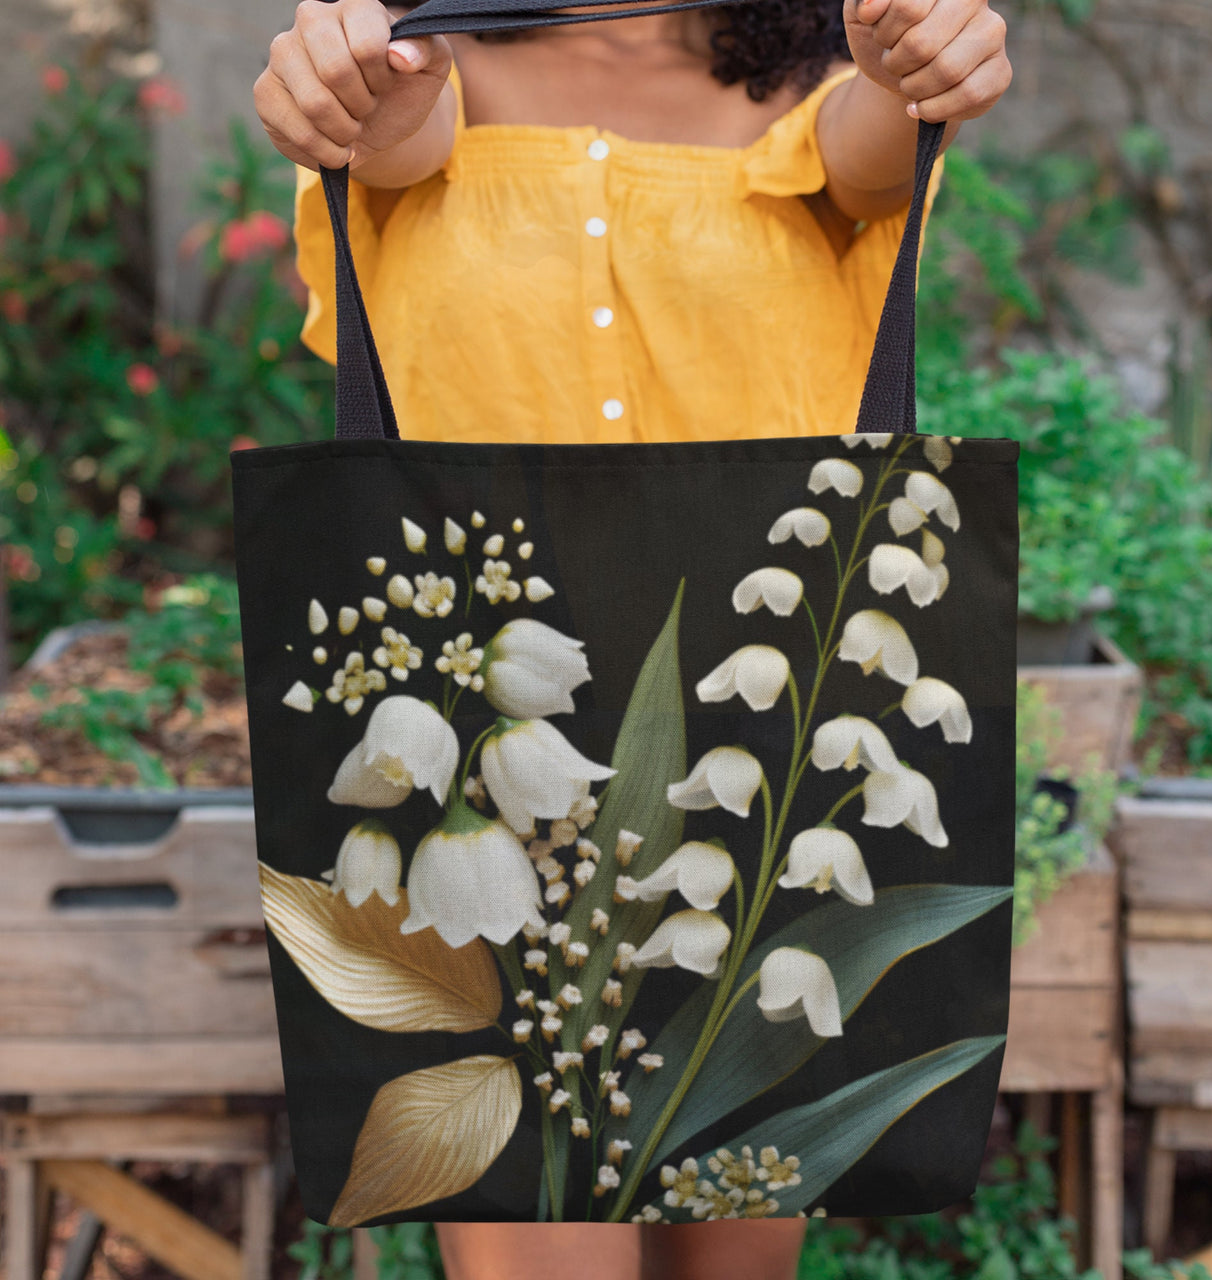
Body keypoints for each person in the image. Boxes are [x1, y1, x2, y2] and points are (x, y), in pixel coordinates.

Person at [254, 0, 1010, 1274]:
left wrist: (921, 70)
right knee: (537, 1214)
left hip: (750, 741)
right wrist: (344, 90)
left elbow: (870, 137)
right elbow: (395, 130)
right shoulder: (420, 56)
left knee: (738, 1223)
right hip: (497, 744)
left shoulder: (823, 67)